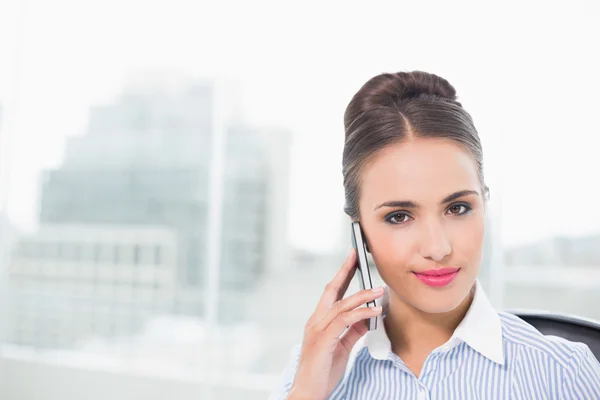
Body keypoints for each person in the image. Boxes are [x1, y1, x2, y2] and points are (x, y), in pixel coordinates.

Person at [269, 71, 600, 400]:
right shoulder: (311, 372)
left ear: (484, 204)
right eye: (399, 216)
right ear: (360, 234)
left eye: (457, 208)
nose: (438, 248)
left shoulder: (562, 374)